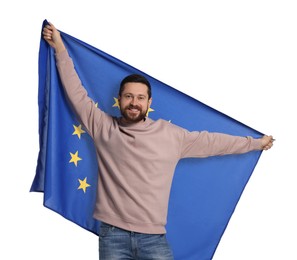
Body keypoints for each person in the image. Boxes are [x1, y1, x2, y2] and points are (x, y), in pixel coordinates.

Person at [42, 22, 274, 260]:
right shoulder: (103, 127)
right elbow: (76, 95)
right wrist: (60, 47)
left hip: (154, 239)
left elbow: (213, 142)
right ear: (119, 99)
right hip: (113, 236)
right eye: (129, 96)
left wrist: (255, 143)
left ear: (149, 103)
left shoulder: (171, 135)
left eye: (140, 98)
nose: (134, 102)